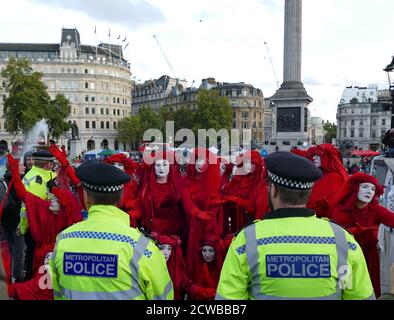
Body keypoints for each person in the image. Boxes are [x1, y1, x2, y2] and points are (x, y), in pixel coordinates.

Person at [216, 151, 374, 300]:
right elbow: (357, 294)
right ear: (309, 192)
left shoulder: (247, 240)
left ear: (274, 190)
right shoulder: (342, 241)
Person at [49, 160, 173, 300]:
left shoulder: (63, 240)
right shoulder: (143, 247)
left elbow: (57, 292)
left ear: (86, 197)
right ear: (120, 197)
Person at [330, 173, 394, 298]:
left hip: (369, 257)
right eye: (365, 187)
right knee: (347, 288)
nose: (369, 191)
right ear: (355, 188)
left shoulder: (375, 209)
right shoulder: (340, 210)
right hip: (345, 257)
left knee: (368, 289)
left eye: (373, 189)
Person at [20, 149, 57, 281]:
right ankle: (30, 282)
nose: (53, 165)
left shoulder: (36, 174)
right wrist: (23, 227)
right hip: (35, 228)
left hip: (36, 226)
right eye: (52, 163)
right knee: (33, 257)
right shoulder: (37, 181)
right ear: (48, 165)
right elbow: (28, 208)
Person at [0, 156, 25, 283]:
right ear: (14, 168)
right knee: (19, 251)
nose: (24, 167)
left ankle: (9, 275)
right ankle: (17, 277)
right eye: (21, 165)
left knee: (11, 250)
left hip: (5, 223)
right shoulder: (18, 181)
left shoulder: (3, 180)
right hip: (16, 223)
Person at [306, 144, 348, 218]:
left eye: (318, 156)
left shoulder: (334, 177)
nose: (314, 158)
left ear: (327, 157)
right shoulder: (321, 174)